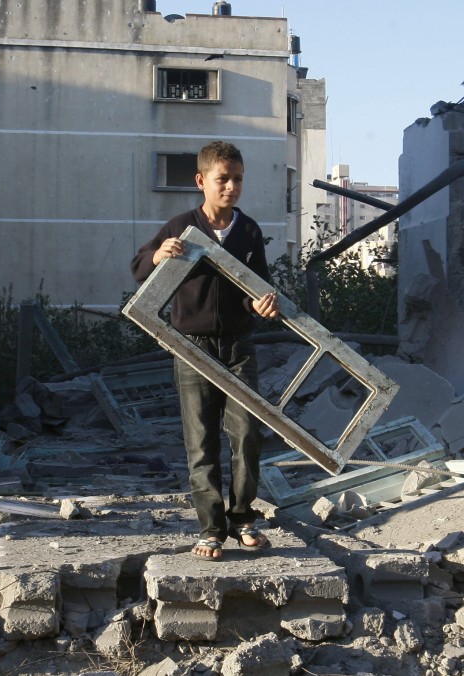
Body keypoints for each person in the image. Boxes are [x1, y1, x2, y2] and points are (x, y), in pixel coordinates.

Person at [130, 141, 279, 561]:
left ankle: (244, 519)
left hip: (238, 346)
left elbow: (258, 285)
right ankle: (211, 529)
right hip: (192, 348)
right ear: (201, 182)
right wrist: (160, 254)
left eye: (238, 179)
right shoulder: (181, 225)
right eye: (223, 179)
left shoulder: (248, 231)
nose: (231, 187)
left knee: (248, 435)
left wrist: (264, 302)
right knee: (202, 442)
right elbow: (139, 264)